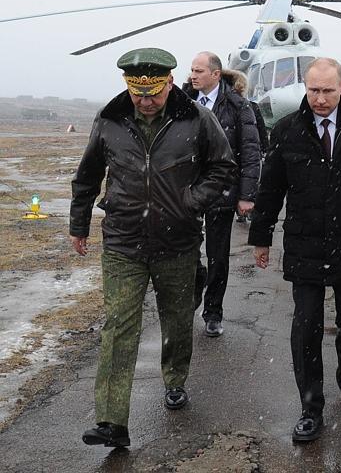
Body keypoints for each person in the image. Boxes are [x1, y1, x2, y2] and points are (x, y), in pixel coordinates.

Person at [70, 48, 236, 448]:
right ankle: (111, 421)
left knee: (177, 321)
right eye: (137, 93)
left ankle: (175, 379)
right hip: (123, 242)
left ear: (170, 83)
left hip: (177, 243)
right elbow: (89, 173)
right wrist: (79, 224)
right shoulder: (110, 120)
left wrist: (191, 202)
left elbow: (223, 167)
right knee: (119, 327)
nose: (145, 101)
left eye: (154, 93)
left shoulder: (196, 119)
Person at [248, 58, 341, 443]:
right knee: (306, 326)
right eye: (313, 90)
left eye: (327, 91)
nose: (319, 98)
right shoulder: (288, 130)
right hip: (306, 244)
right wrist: (261, 237)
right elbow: (270, 189)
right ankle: (311, 408)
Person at [183, 51, 261, 337]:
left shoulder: (239, 106)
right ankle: (193, 288)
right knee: (187, 250)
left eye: (199, 70)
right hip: (187, 192)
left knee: (219, 255)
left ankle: (213, 312)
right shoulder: (183, 103)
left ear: (216, 74)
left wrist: (247, 194)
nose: (193, 75)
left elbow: (252, 152)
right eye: (192, 70)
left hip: (222, 190)